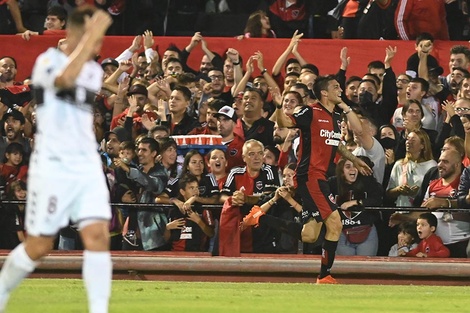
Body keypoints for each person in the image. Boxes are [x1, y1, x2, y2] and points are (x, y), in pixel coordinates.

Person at [0, 6, 113, 313]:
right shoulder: (47, 61)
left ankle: (99, 310)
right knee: (39, 246)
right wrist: (90, 39)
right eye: (94, 36)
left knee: (97, 236)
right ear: (75, 34)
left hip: (86, 164)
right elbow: (63, 81)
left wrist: (88, 44)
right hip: (51, 164)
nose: (99, 44)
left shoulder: (93, 70)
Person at [268, 75, 372, 284]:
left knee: (310, 235)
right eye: (336, 87)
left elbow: (336, 144)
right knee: (335, 223)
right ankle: (324, 275)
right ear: (324, 92)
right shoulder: (310, 111)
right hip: (309, 177)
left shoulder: (335, 117)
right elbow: (286, 121)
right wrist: (279, 105)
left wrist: (354, 159)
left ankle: (260, 218)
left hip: (320, 177)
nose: (340, 90)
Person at [330, 157, 383, 256]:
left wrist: (356, 202)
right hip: (341, 232)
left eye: (355, 166)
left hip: (366, 231)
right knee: (346, 269)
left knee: (365, 269)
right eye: (348, 167)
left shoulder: (367, 182)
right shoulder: (333, 183)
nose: (352, 169)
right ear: (341, 171)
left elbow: (377, 200)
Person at [164, 174, 215, 251]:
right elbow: (165, 239)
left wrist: (198, 221)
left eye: (197, 188)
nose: (196, 191)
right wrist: (168, 228)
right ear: (182, 192)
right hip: (175, 255)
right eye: (191, 188)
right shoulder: (173, 210)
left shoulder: (204, 209)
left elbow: (211, 233)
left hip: (198, 255)